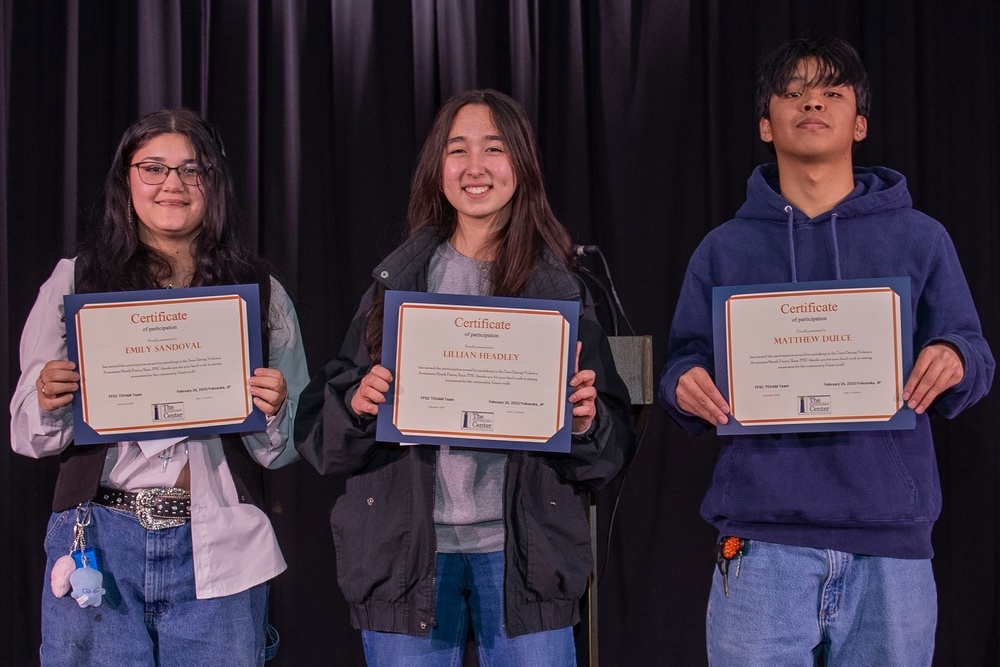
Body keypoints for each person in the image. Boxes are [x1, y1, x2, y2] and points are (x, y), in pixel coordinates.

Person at [659, 37, 994, 666]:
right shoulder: (723, 249)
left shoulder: (921, 239)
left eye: (831, 91)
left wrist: (954, 356)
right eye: (792, 92)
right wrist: (683, 383)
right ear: (766, 124)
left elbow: (975, 355)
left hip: (890, 545)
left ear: (859, 123)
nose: (811, 101)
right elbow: (683, 364)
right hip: (760, 544)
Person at [295, 89, 634, 666]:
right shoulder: (397, 282)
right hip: (406, 557)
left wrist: (585, 421)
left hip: (525, 558)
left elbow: (610, 446)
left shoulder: (560, 289)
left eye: (493, 149)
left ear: (521, 166)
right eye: (458, 150)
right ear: (438, 168)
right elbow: (320, 439)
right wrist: (357, 403)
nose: (475, 166)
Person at [9, 108, 309, 665]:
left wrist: (273, 409)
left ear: (214, 185)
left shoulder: (261, 295)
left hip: (219, 542)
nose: (172, 183)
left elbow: (286, 449)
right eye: (153, 168)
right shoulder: (74, 280)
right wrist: (48, 399)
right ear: (127, 180)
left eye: (192, 170)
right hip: (98, 541)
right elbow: (29, 436)